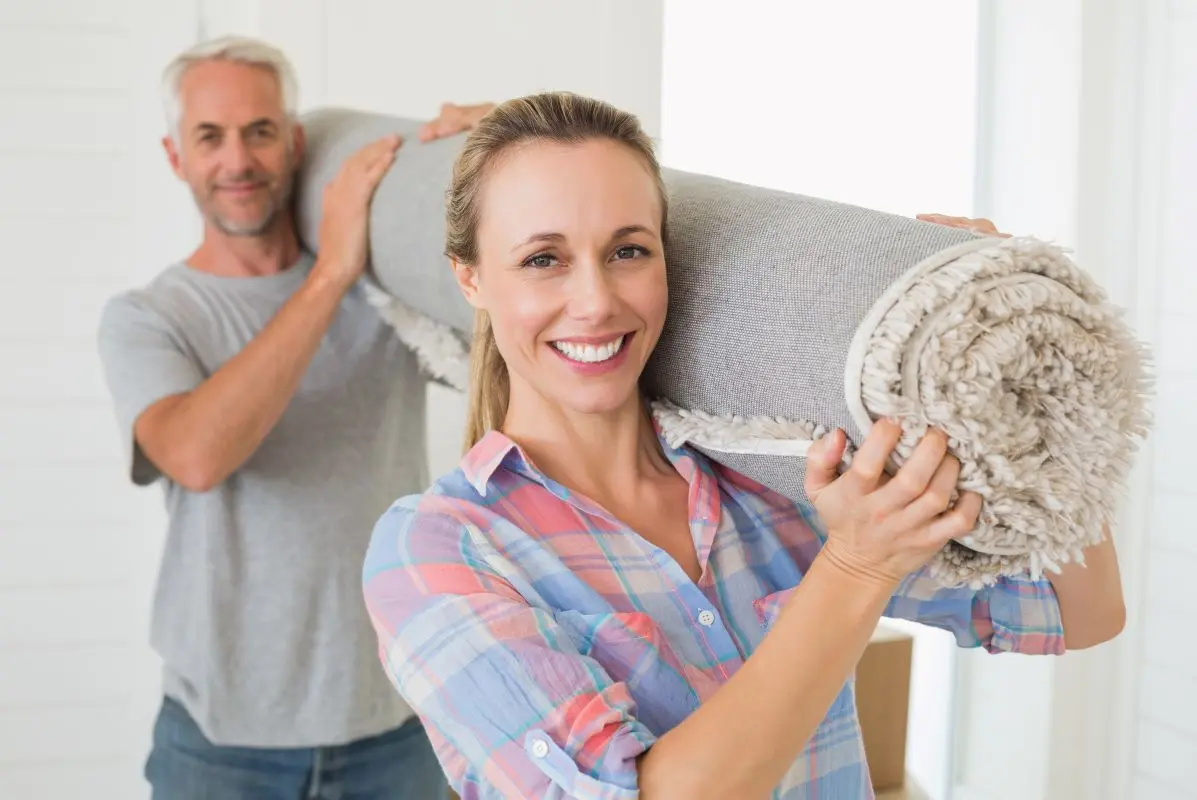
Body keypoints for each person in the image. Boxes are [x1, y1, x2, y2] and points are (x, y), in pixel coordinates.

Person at [360, 91, 1127, 799]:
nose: (595, 302)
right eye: (542, 259)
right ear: (470, 279)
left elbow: (1080, 611)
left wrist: (1027, 380)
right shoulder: (439, 549)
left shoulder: (772, 479)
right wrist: (854, 568)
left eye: (628, 250)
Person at [96, 35, 493, 799]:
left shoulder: (382, 293)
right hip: (221, 744)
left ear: (295, 141)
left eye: (259, 131)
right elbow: (196, 456)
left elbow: (513, 340)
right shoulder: (148, 318)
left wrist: (499, 144)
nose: (237, 160)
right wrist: (328, 276)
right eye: (209, 137)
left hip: (396, 723)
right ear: (176, 157)